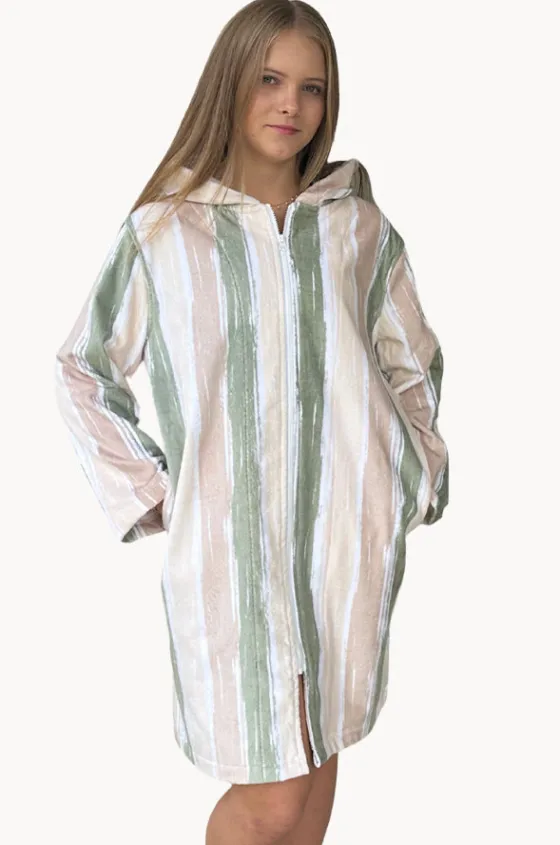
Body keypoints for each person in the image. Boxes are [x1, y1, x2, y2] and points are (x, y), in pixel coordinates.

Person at [53, 0, 450, 842]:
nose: (290, 104)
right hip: (228, 561)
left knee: (316, 764)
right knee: (270, 798)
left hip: (345, 548)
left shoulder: (358, 228)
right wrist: (154, 491)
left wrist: (409, 476)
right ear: (230, 83)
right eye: (269, 79)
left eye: (311, 86)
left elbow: (413, 363)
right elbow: (83, 365)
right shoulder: (165, 232)